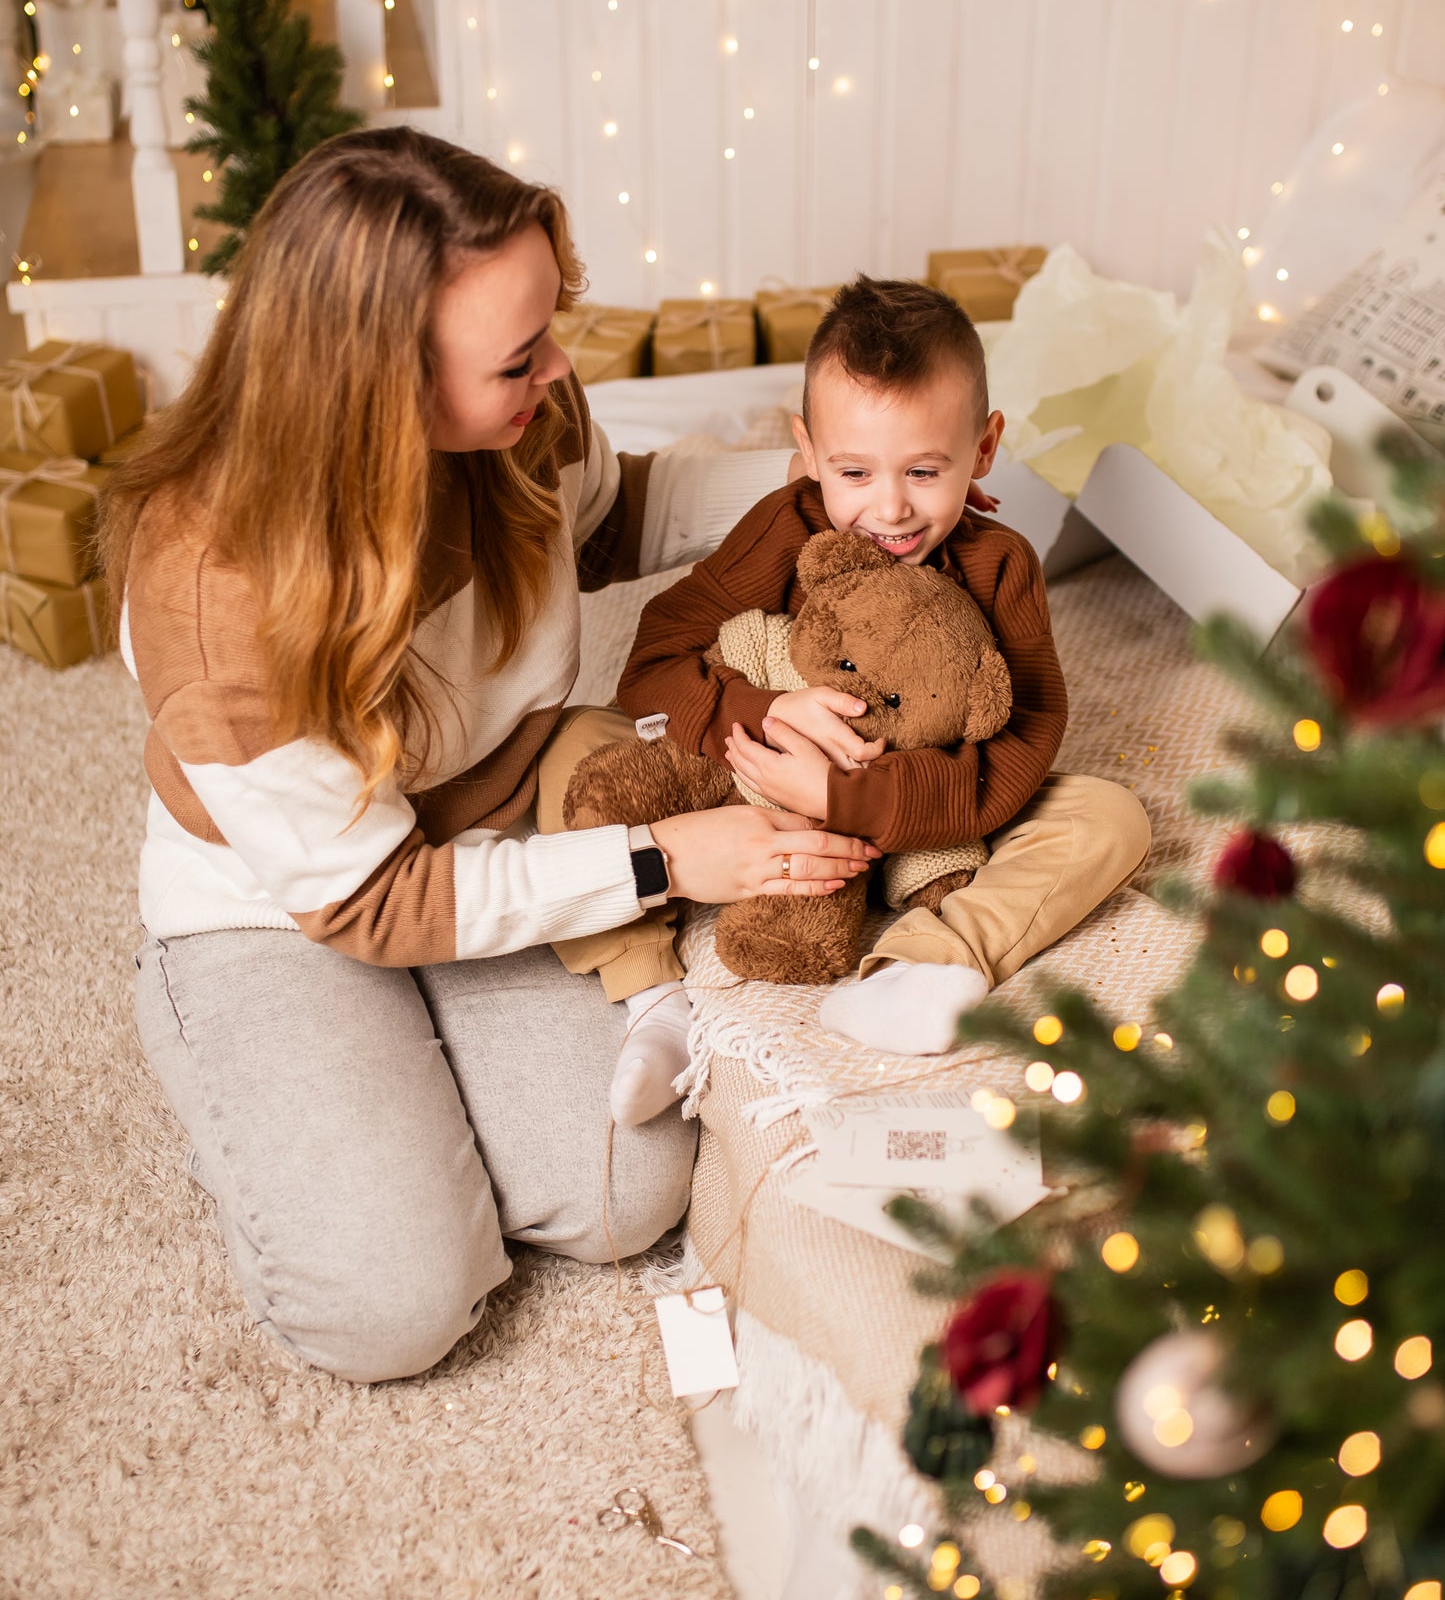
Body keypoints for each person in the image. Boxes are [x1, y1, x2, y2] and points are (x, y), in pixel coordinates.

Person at [103, 128, 878, 1384]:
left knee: (628, 1192)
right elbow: (368, 900)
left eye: (548, 329)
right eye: (519, 356)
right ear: (371, 387)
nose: (559, 368)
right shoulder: (217, 592)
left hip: (480, 828)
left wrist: (830, 485)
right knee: (396, 1310)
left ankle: (396, 1117)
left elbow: (615, 514)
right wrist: (657, 858)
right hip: (292, 912)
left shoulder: (517, 416)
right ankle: (248, 1081)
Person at [539, 275, 1151, 1121]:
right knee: (570, 748)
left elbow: (1027, 737)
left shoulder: (999, 563)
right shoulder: (786, 526)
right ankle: (652, 996)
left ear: (983, 449)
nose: (889, 507)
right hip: (751, 783)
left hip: (924, 808)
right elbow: (654, 655)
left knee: (1108, 816)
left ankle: (921, 964)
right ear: (809, 449)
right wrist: (759, 715)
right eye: (853, 471)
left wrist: (848, 798)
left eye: (925, 470)